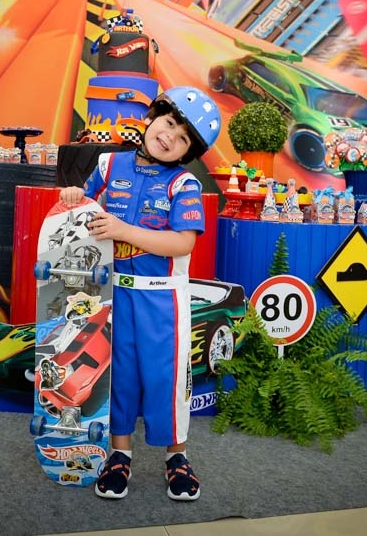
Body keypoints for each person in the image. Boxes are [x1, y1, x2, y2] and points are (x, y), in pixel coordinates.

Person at [58, 85, 221, 501]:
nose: (169, 136)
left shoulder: (183, 183)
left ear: (188, 152)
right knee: (118, 376)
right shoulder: (109, 164)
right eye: (169, 123)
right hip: (111, 294)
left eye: (182, 138)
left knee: (165, 379)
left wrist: (124, 231)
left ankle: (177, 457)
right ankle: (120, 455)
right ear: (151, 118)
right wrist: (74, 196)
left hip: (162, 300)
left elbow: (182, 242)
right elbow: (83, 209)